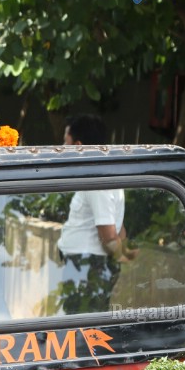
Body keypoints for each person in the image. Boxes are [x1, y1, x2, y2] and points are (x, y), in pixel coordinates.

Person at [55, 114, 135, 313]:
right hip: (86, 264)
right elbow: (119, 226)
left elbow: (108, 235)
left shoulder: (97, 179)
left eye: (66, 143)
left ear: (79, 145)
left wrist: (120, 259)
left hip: (87, 266)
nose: (62, 149)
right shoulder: (105, 173)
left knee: (80, 323)